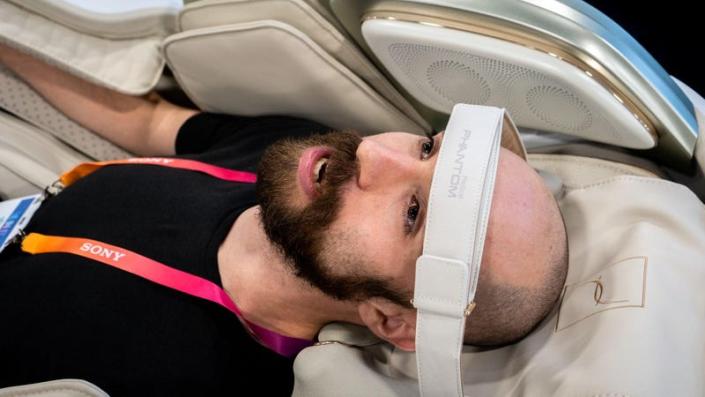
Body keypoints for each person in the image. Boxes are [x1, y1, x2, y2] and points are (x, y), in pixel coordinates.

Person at [0, 43, 568, 395]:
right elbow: (149, 123)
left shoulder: (192, 381)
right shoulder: (289, 161)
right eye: (425, 147)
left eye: (413, 212)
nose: (373, 153)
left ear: (394, 320)